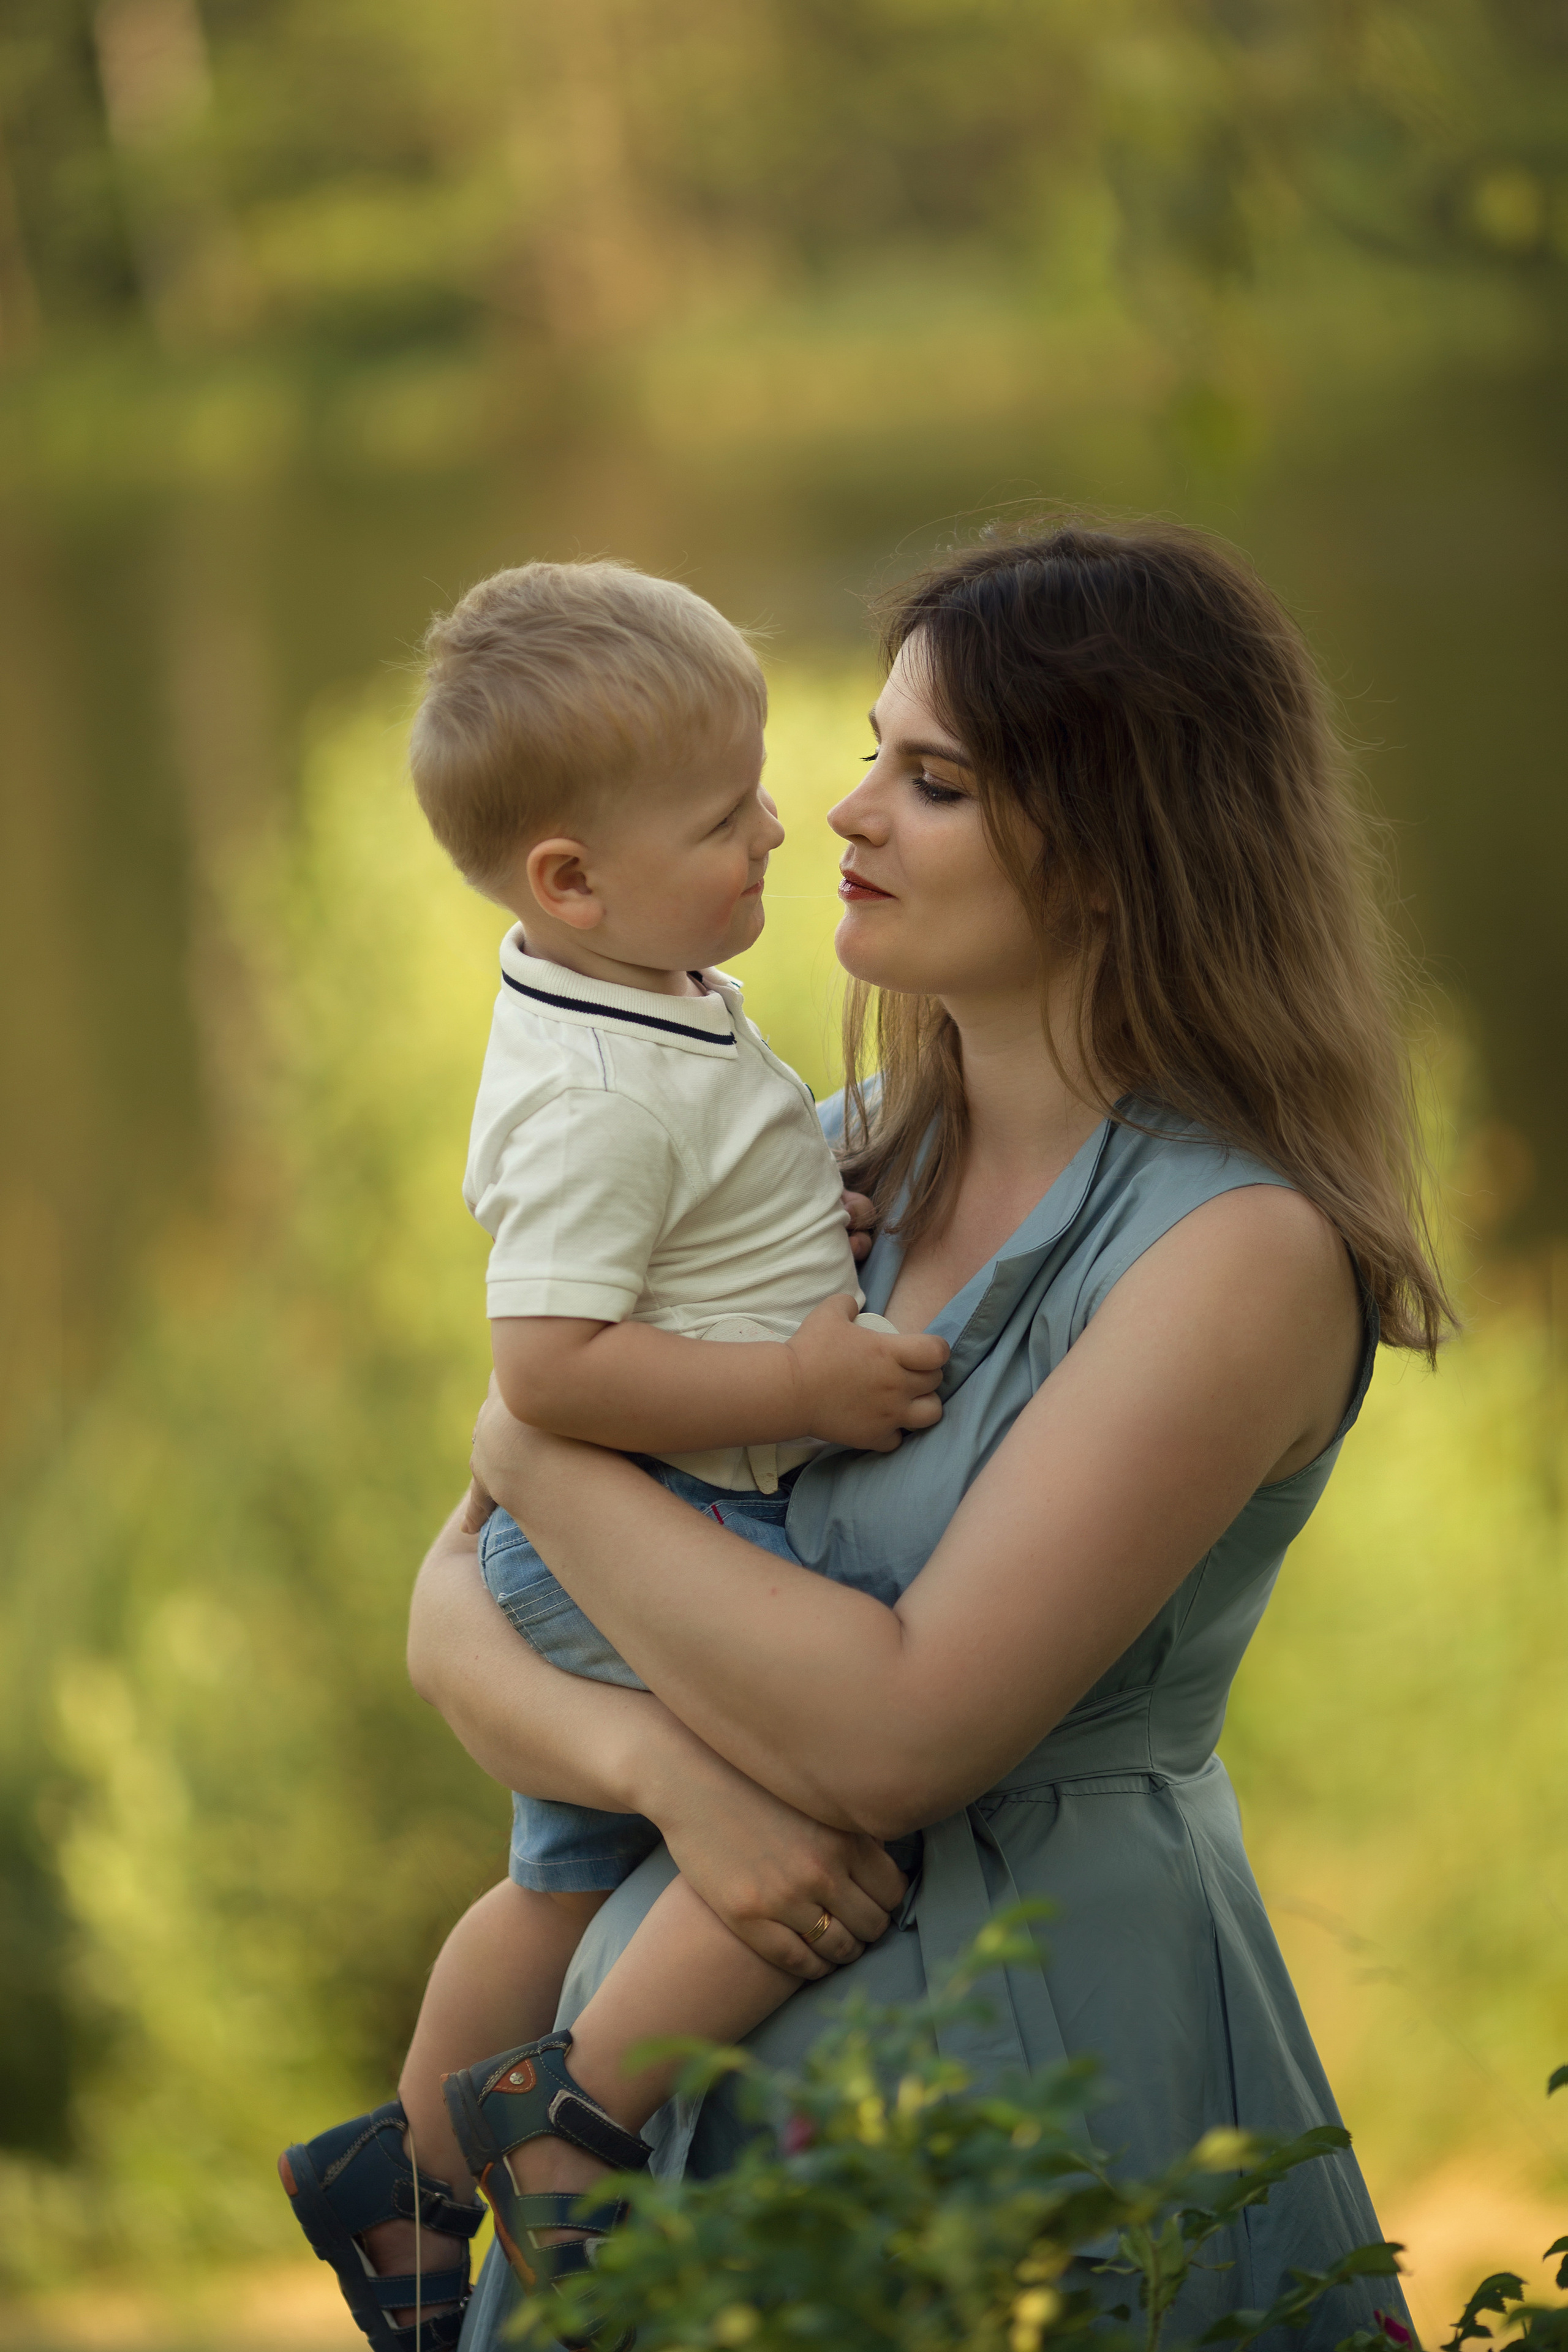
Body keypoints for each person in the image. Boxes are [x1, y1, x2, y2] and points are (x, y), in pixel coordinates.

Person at [412, 522, 1449, 2351]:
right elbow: (449, 1617)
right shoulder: (826, 1153)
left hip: (1042, 2094)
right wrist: (671, 1785)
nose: (845, 814)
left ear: (1129, 842)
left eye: (934, 779)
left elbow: (898, 1732)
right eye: (878, 752)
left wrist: (536, 1432)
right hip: (639, 2134)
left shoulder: (1235, 1253)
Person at [277, 560, 947, 2349]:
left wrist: (812, 1199)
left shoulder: (636, 986)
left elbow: (691, 1213)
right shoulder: (590, 1093)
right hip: (638, 1530)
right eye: (728, 816)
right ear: (569, 876)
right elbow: (552, 1369)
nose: (785, 824)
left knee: (560, 1874)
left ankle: (402, 2172)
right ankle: (579, 2123)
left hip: (609, 1532)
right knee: (807, 1800)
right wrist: (802, 1379)